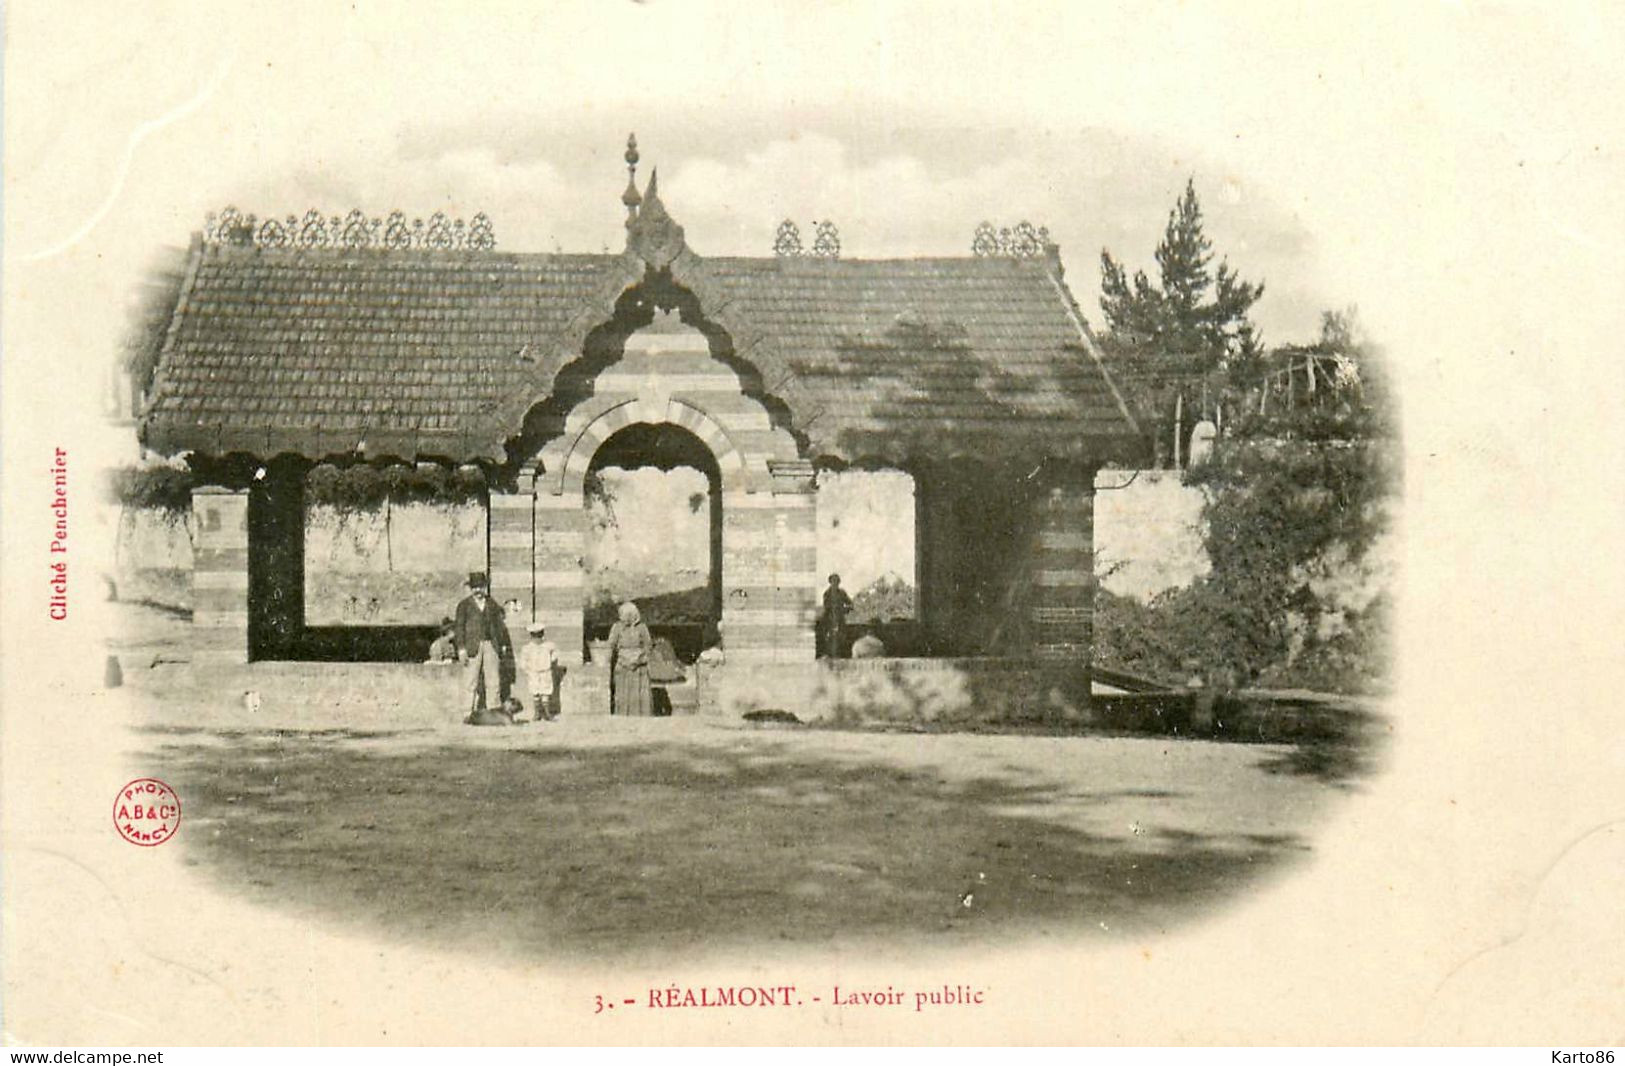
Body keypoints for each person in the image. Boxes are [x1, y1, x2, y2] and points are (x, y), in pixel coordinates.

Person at [454, 572, 512, 723]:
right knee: (470, 680)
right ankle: (467, 713)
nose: (478, 590)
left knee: (493, 680)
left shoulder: (492, 604)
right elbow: (459, 628)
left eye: (480, 587)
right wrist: (461, 649)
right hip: (472, 646)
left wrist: (503, 645)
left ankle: (494, 711)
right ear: (470, 589)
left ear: (485, 587)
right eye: (475, 588)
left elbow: (500, 626)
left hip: (491, 645)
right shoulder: (464, 605)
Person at [607, 601, 653, 717]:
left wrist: (641, 658)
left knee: (639, 692)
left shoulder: (642, 627)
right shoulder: (617, 627)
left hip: (639, 665)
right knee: (623, 691)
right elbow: (611, 644)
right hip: (623, 663)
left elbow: (648, 645)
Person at [519, 621, 562, 722]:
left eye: (539, 636)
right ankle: (537, 713)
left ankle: (547, 713)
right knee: (535, 691)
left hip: (545, 671)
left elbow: (556, 652)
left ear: (542, 635)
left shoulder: (548, 646)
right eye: (535, 636)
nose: (537, 639)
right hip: (533, 672)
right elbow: (523, 660)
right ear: (531, 636)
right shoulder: (527, 648)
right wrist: (526, 669)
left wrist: (551, 659)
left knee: (546, 691)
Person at [820, 573, 854, 659]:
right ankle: (829, 654)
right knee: (829, 636)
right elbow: (826, 607)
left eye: (837, 581)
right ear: (830, 582)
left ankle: (841, 654)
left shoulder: (842, 593)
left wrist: (845, 609)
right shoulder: (827, 593)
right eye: (833, 581)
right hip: (830, 618)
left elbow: (850, 604)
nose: (835, 583)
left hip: (840, 618)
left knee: (842, 636)